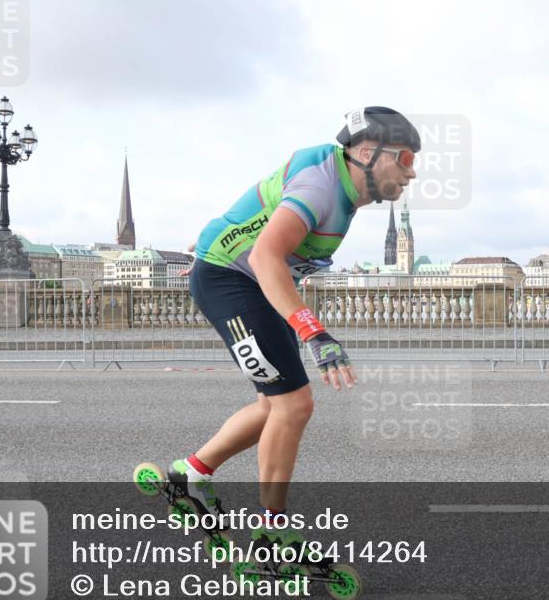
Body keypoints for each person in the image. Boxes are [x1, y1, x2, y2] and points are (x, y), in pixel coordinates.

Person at [157, 107, 420, 540]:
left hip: (249, 281)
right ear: (369, 153)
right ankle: (272, 530)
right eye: (406, 159)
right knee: (293, 405)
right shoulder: (321, 187)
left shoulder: (342, 186)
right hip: (233, 281)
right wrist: (313, 331)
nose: (412, 173)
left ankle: (190, 472)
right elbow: (265, 256)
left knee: (275, 404)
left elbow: (257, 215)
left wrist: (216, 239)